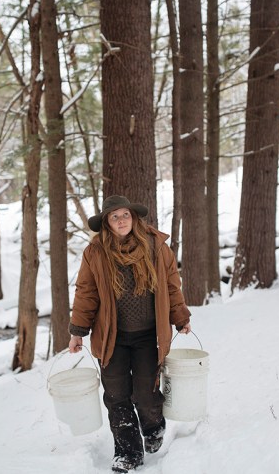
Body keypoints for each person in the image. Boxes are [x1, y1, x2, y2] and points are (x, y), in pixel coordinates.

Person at [68, 195, 192, 473]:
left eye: (125, 215)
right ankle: (127, 453)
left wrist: (180, 316)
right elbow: (85, 292)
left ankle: (153, 427)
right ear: (107, 223)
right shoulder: (96, 252)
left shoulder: (156, 247)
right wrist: (78, 331)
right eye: (115, 217)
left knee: (146, 394)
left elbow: (172, 285)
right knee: (116, 396)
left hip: (149, 335)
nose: (121, 220)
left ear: (133, 218)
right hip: (112, 337)